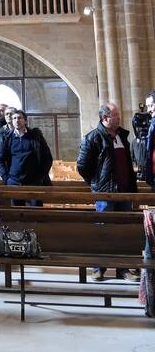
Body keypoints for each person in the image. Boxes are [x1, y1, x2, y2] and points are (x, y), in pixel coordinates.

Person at [77, 102, 139, 282]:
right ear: (105, 118)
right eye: (116, 115)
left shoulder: (121, 136)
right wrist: (97, 183)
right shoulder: (93, 137)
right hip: (105, 194)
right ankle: (99, 268)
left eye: (118, 115)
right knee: (103, 231)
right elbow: (82, 166)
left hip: (125, 191)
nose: (119, 118)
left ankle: (124, 269)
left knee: (123, 231)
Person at [0, 109, 52, 192]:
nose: (17, 120)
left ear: (25, 121)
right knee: (16, 205)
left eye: (19, 118)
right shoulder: (7, 138)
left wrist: (40, 177)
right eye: (14, 118)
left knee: (35, 205)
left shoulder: (35, 136)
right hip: (14, 181)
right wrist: (6, 178)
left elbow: (47, 157)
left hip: (34, 182)